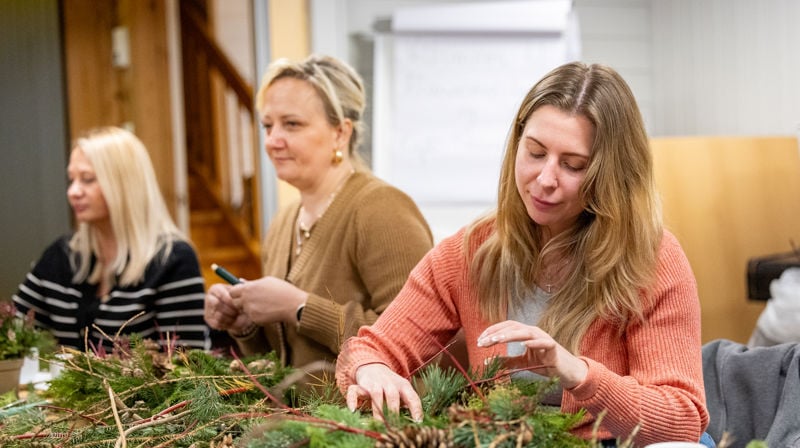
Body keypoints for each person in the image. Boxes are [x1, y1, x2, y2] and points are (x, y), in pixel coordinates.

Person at [336, 62, 709, 446]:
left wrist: (577, 374)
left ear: (610, 173)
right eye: (535, 153)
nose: (545, 179)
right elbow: (370, 347)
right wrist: (372, 368)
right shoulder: (470, 253)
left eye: (572, 165)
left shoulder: (653, 259)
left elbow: (681, 421)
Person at [203, 55, 433, 371]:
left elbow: (420, 339)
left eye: (292, 124)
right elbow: (289, 359)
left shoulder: (382, 209)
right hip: (299, 419)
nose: (272, 141)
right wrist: (245, 324)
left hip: (369, 419)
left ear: (341, 132)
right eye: (268, 125)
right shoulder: (284, 221)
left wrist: (298, 306)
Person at [12, 126, 209, 351]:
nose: (73, 191)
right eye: (71, 180)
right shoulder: (61, 255)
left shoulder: (173, 260)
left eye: (87, 179)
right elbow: (13, 333)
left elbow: (187, 370)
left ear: (124, 186)